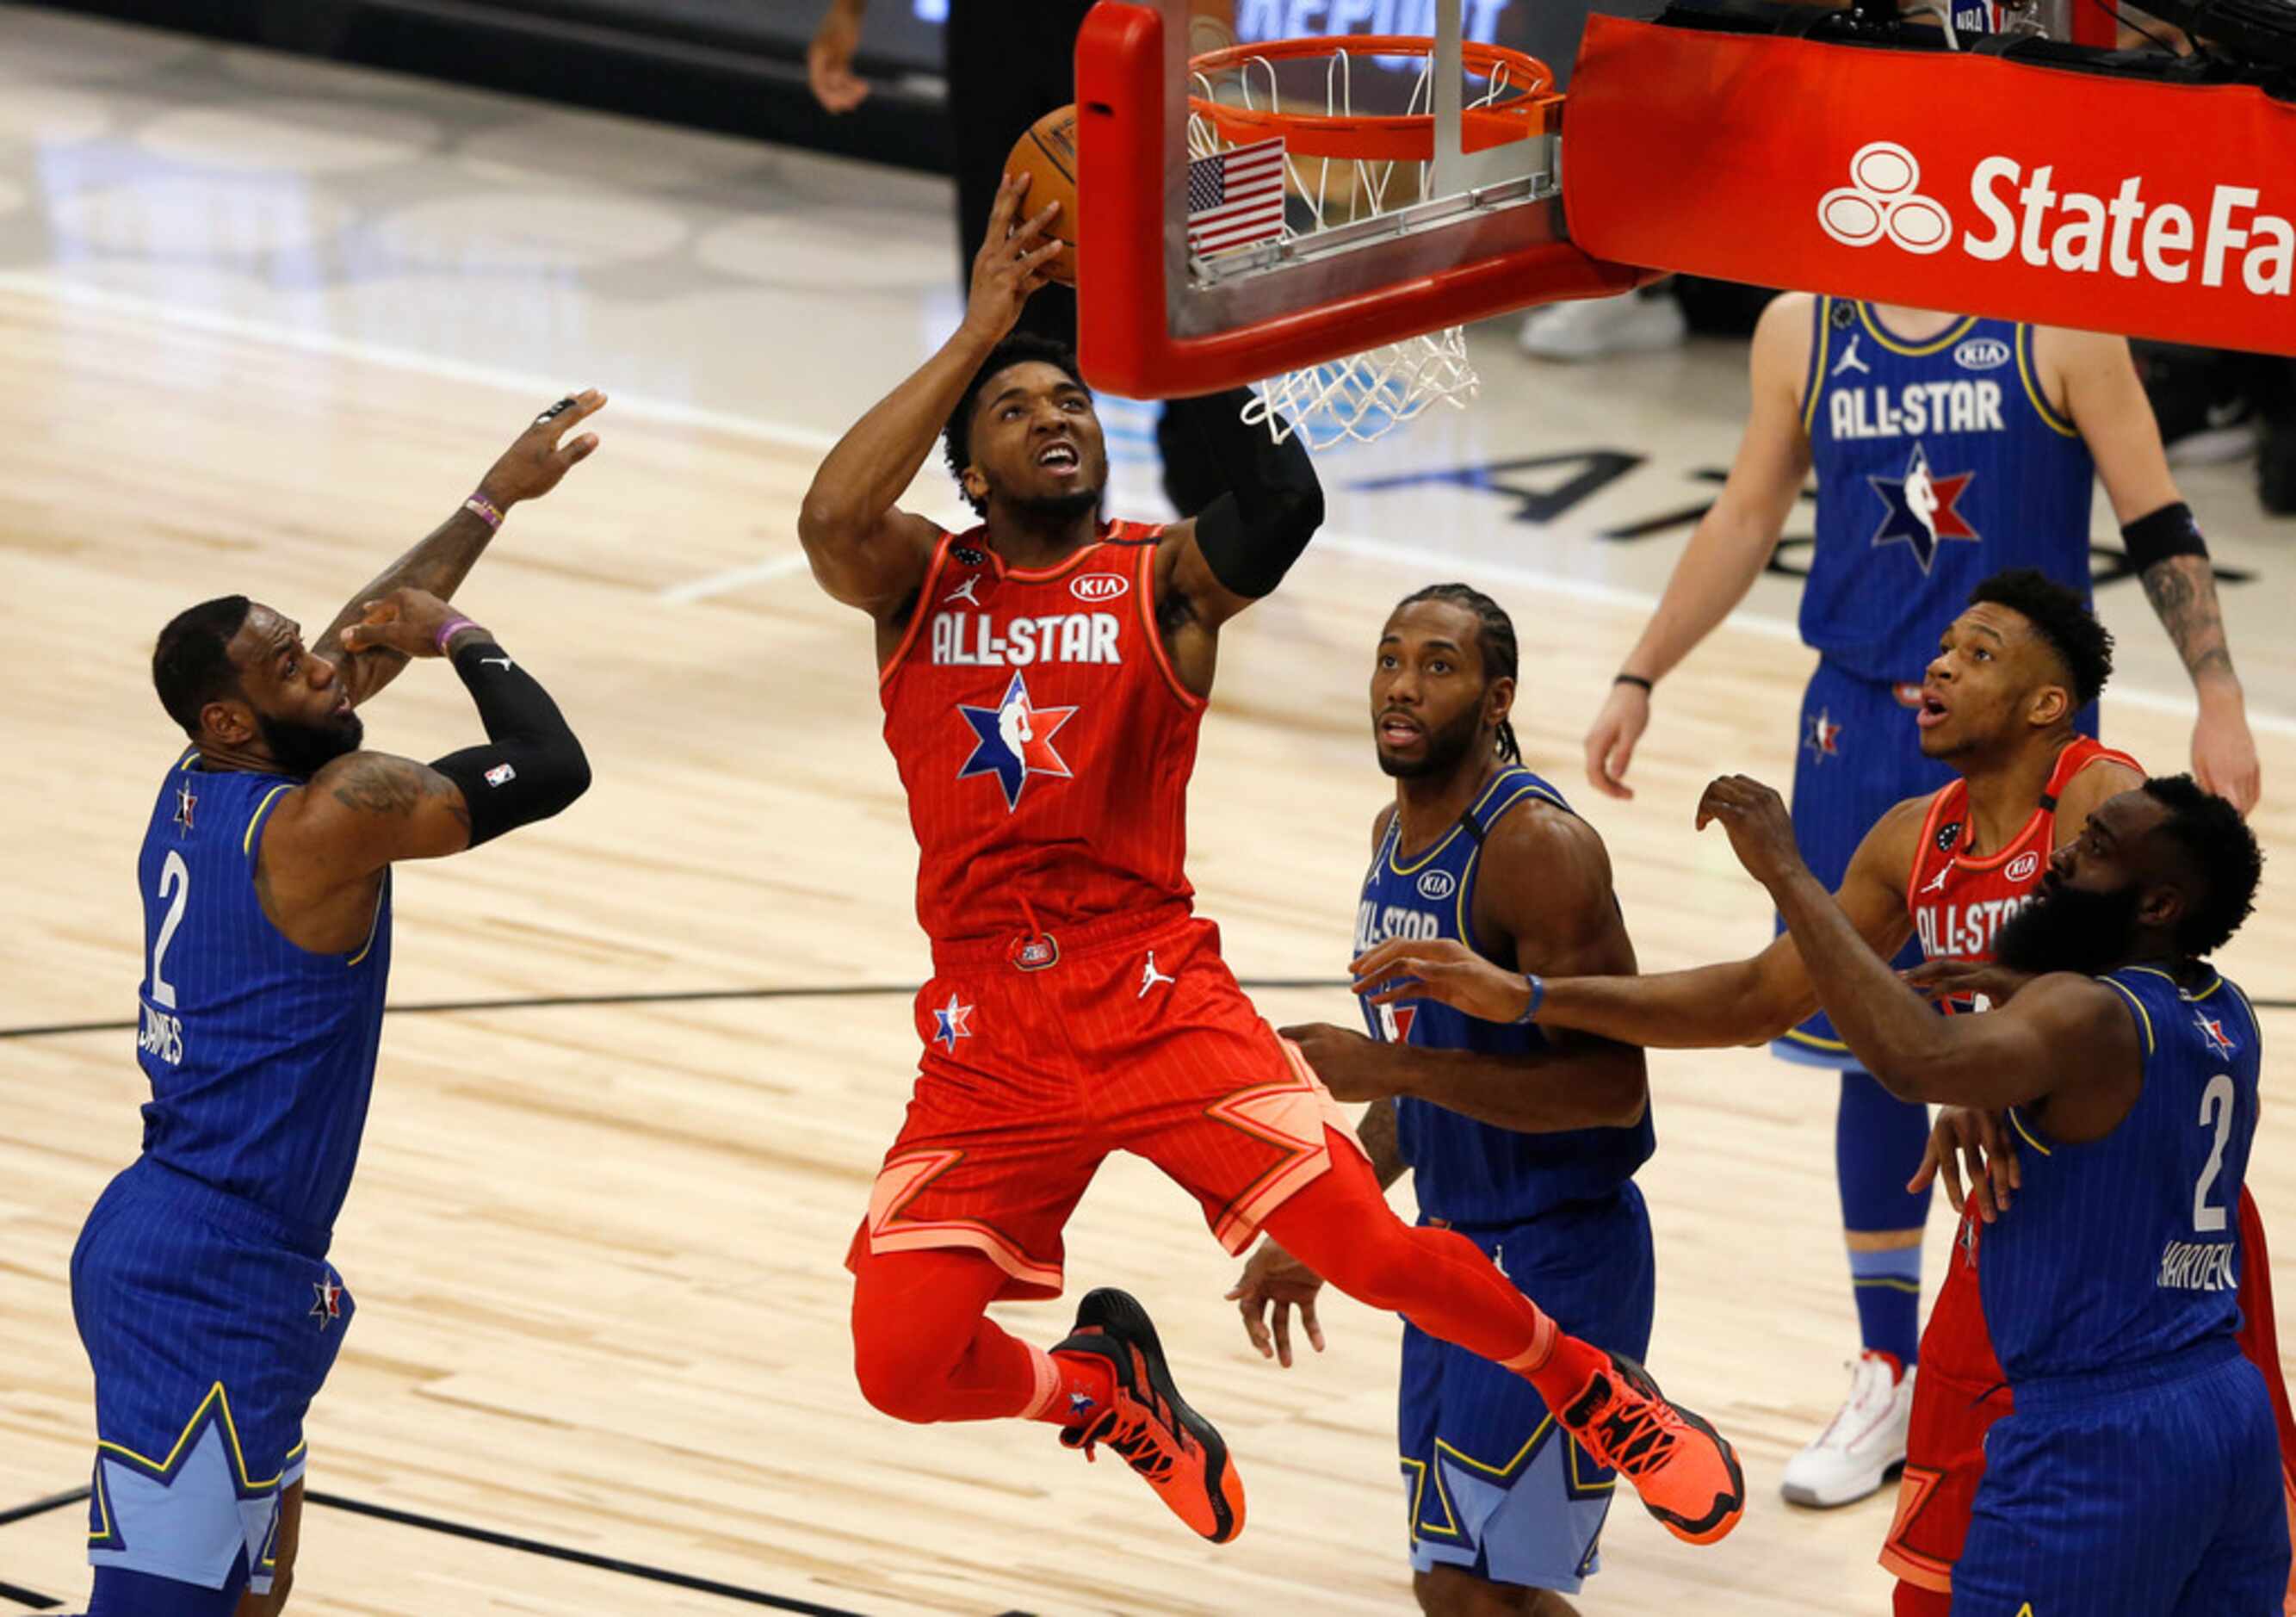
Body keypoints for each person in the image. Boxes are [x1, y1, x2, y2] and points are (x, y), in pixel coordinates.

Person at [796, 177, 1744, 1552]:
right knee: (898, 1363)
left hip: (1149, 995)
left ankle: (1592, 1389)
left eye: (1070, 401)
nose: (1053, 415)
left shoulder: (1155, 580)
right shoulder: (916, 585)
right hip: (987, 1029)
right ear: (969, 474)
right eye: (1015, 411)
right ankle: (1098, 1387)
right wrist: (986, 322)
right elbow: (829, 517)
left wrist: (1207, 313)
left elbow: (1281, 499)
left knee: (1368, 1251)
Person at [1352, 568, 2296, 1613]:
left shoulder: (2097, 792)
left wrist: (1996, 1058)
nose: (1939, 663)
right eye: (1944, 645)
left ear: (2046, 705)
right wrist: (1529, 996)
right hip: (2023, 1235)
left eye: (1978, 654)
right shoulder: (1913, 835)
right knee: (1938, 1580)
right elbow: (1759, 997)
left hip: (2145, 1234)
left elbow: (2165, 948)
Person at [1579, 292, 2262, 1504]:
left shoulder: (2059, 323)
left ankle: (2049, 1351)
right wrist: (1641, 669)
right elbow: (1745, 509)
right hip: (1856, 717)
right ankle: (1887, 1365)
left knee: (2044, 1044)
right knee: (1860, 1038)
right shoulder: (1803, 321)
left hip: (2017, 733)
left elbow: (2154, 516)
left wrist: (2214, 690)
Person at [71, 396, 603, 1617]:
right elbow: (552, 765)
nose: (328, 665)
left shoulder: (211, 772)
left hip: (229, 1247)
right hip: (195, 1270)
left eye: (306, 647)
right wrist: (463, 631)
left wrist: (492, 498)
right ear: (232, 714)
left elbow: (366, 634)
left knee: (253, 1604)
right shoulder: (327, 820)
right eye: (289, 665)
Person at [1699, 768, 2287, 1614]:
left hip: (2097, 1444)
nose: (2062, 861)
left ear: (2158, 906)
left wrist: (1789, 873)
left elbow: (1917, 1063)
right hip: (2225, 1417)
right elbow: (2094, 1071)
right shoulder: (2224, 1011)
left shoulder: (2084, 1018)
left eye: (2096, 850)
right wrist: (2007, 1039)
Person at [1227, 583, 1660, 1615]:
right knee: (1452, 1584)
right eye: (1389, 659)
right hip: (1451, 1249)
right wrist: (1328, 1221)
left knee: (1482, 1592)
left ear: (1496, 697)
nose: (1402, 688)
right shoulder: (1392, 830)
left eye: (1437, 665)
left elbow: (1613, 1089)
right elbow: (1421, 1065)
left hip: (1559, 1251)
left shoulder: (1537, 850)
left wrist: (1399, 1075)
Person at [807, 0, 1234, 511]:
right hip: (1000, 27)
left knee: (1184, 270)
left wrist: (1209, 22)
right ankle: (1055, 530)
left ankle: (1226, 519)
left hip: (1136, 14)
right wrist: (849, 11)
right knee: (1021, 271)